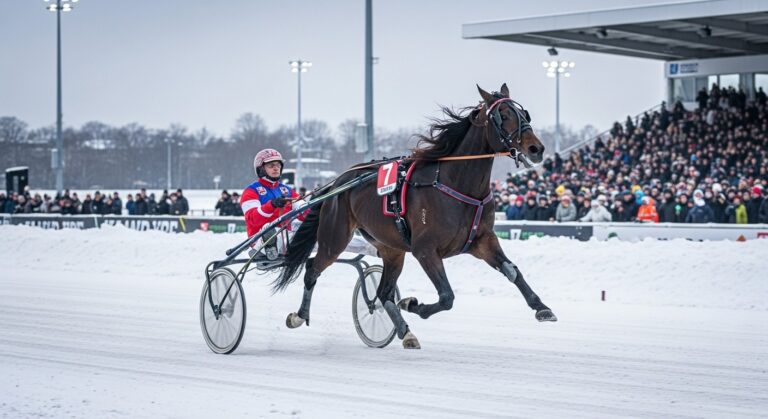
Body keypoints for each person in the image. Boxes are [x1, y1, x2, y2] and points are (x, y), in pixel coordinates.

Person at [240, 149, 302, 260]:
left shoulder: (287, 190)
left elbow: (303, 211)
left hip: (287, 237)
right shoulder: (251, 191)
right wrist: (271, 205)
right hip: (260, 239)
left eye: (278, 165)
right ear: (261, 169)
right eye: (271, 165)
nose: (276, 168)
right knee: (269, 229)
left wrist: (316, 203)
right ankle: (267, 251)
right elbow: (253, 219)